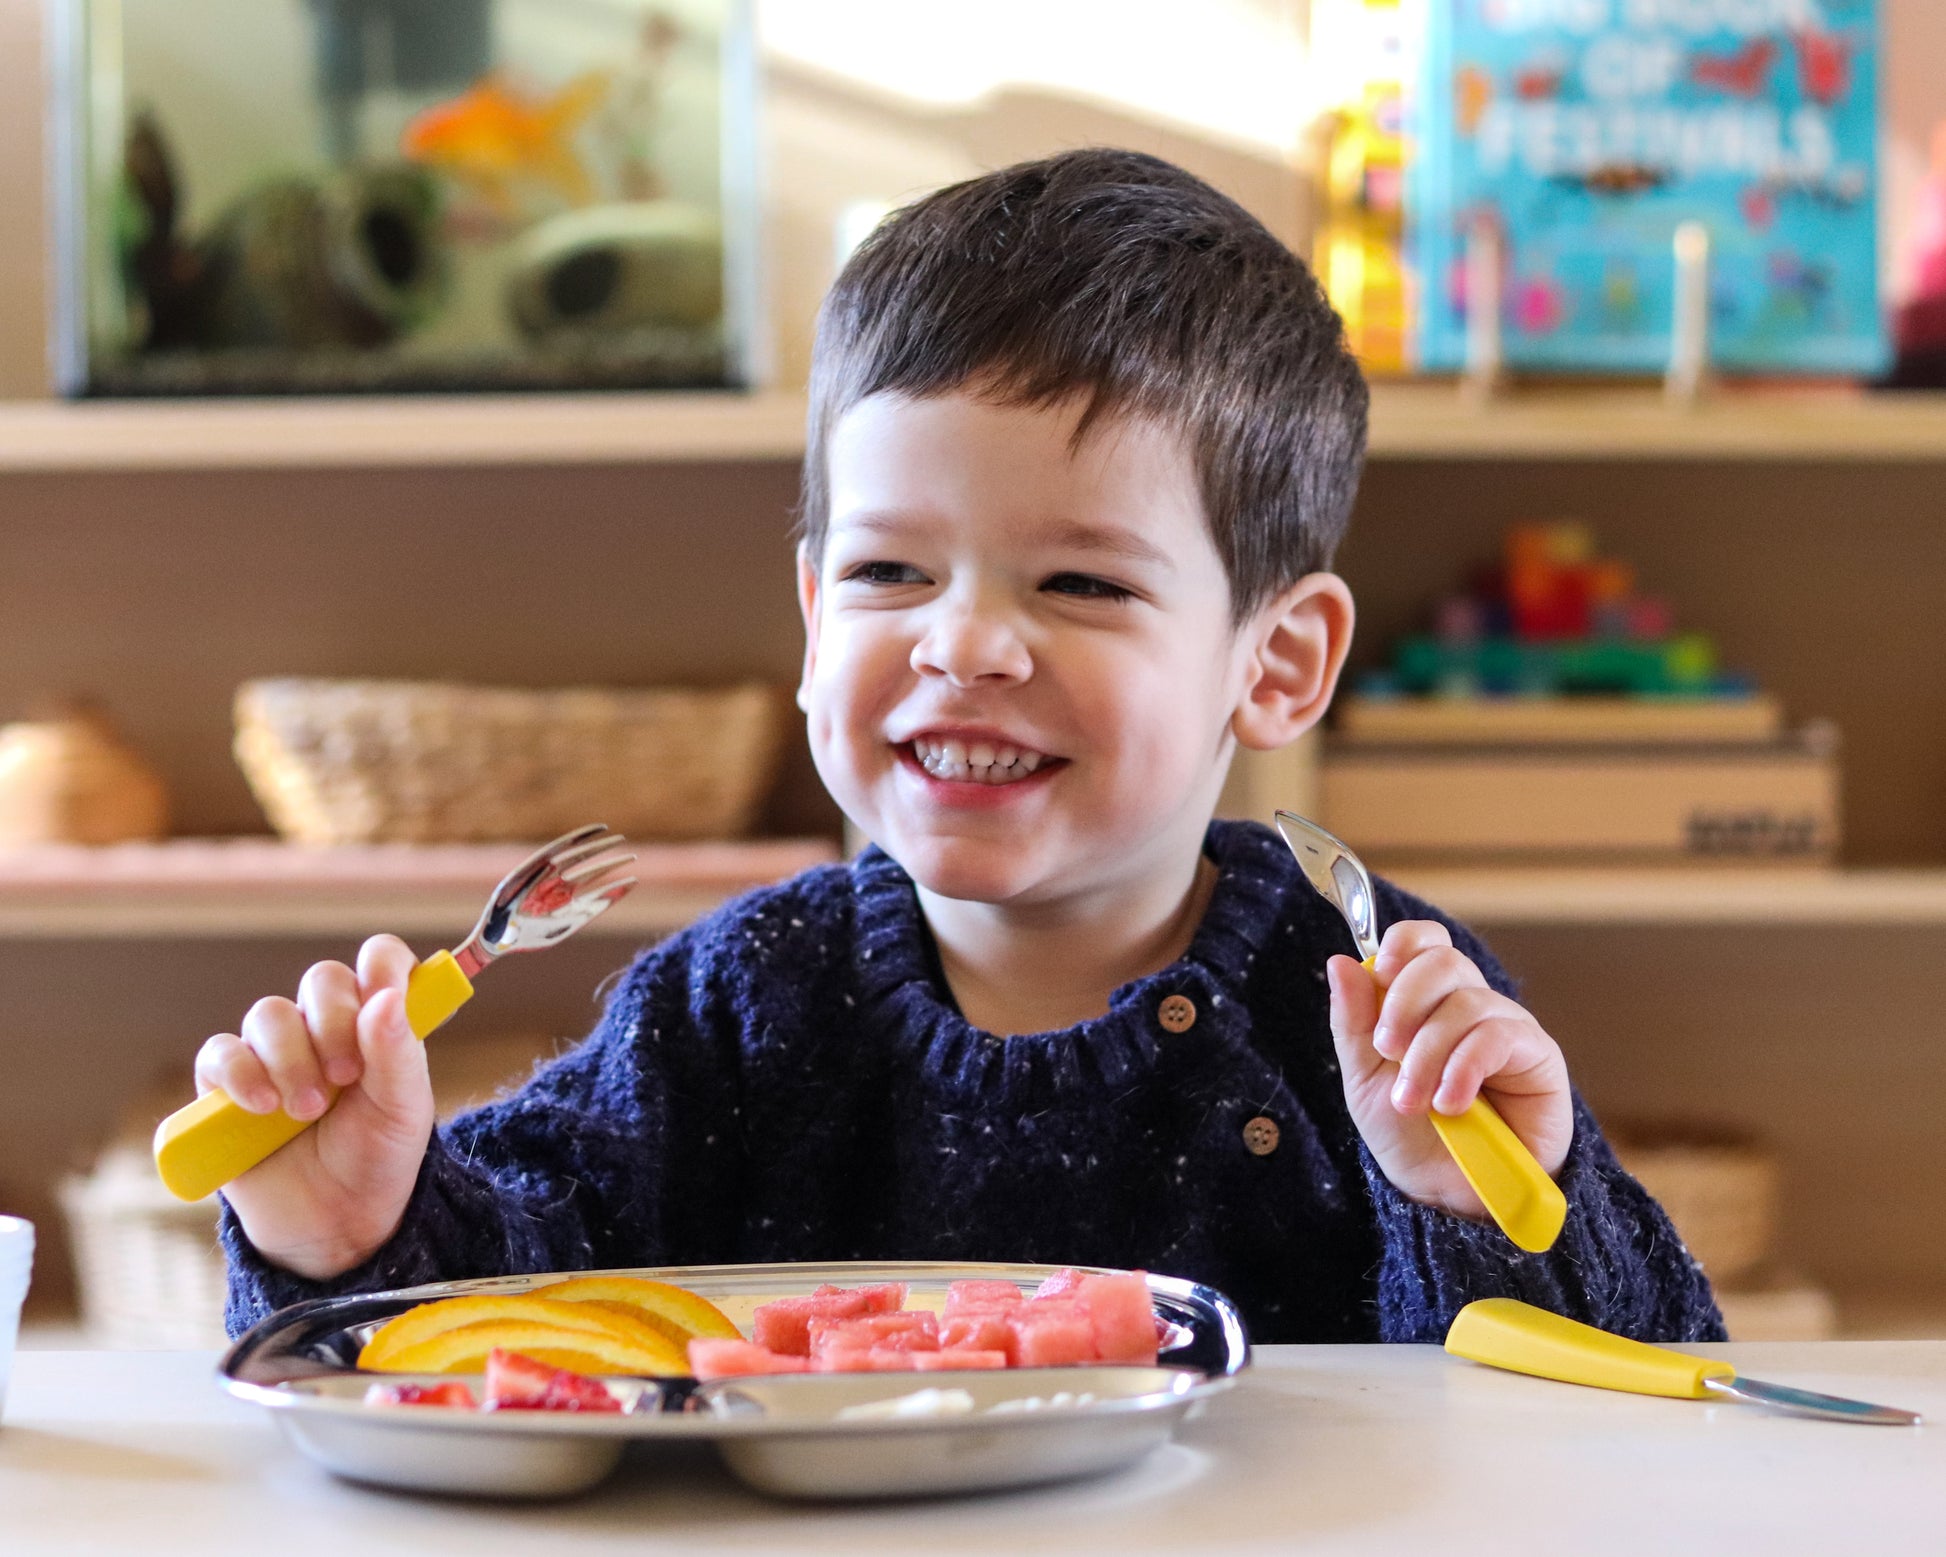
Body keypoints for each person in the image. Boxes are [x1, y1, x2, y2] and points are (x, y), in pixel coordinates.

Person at [209, 148, 1722, 1346]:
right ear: (812, 613)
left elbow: (1627, 1398)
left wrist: (1473, 1201)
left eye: (1079, 581)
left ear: (1274, 662)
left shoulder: (1365, 1003)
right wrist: (347, 1232)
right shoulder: (739, 1004)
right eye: (887, 574)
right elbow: (497, 1332)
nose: (963, 644)